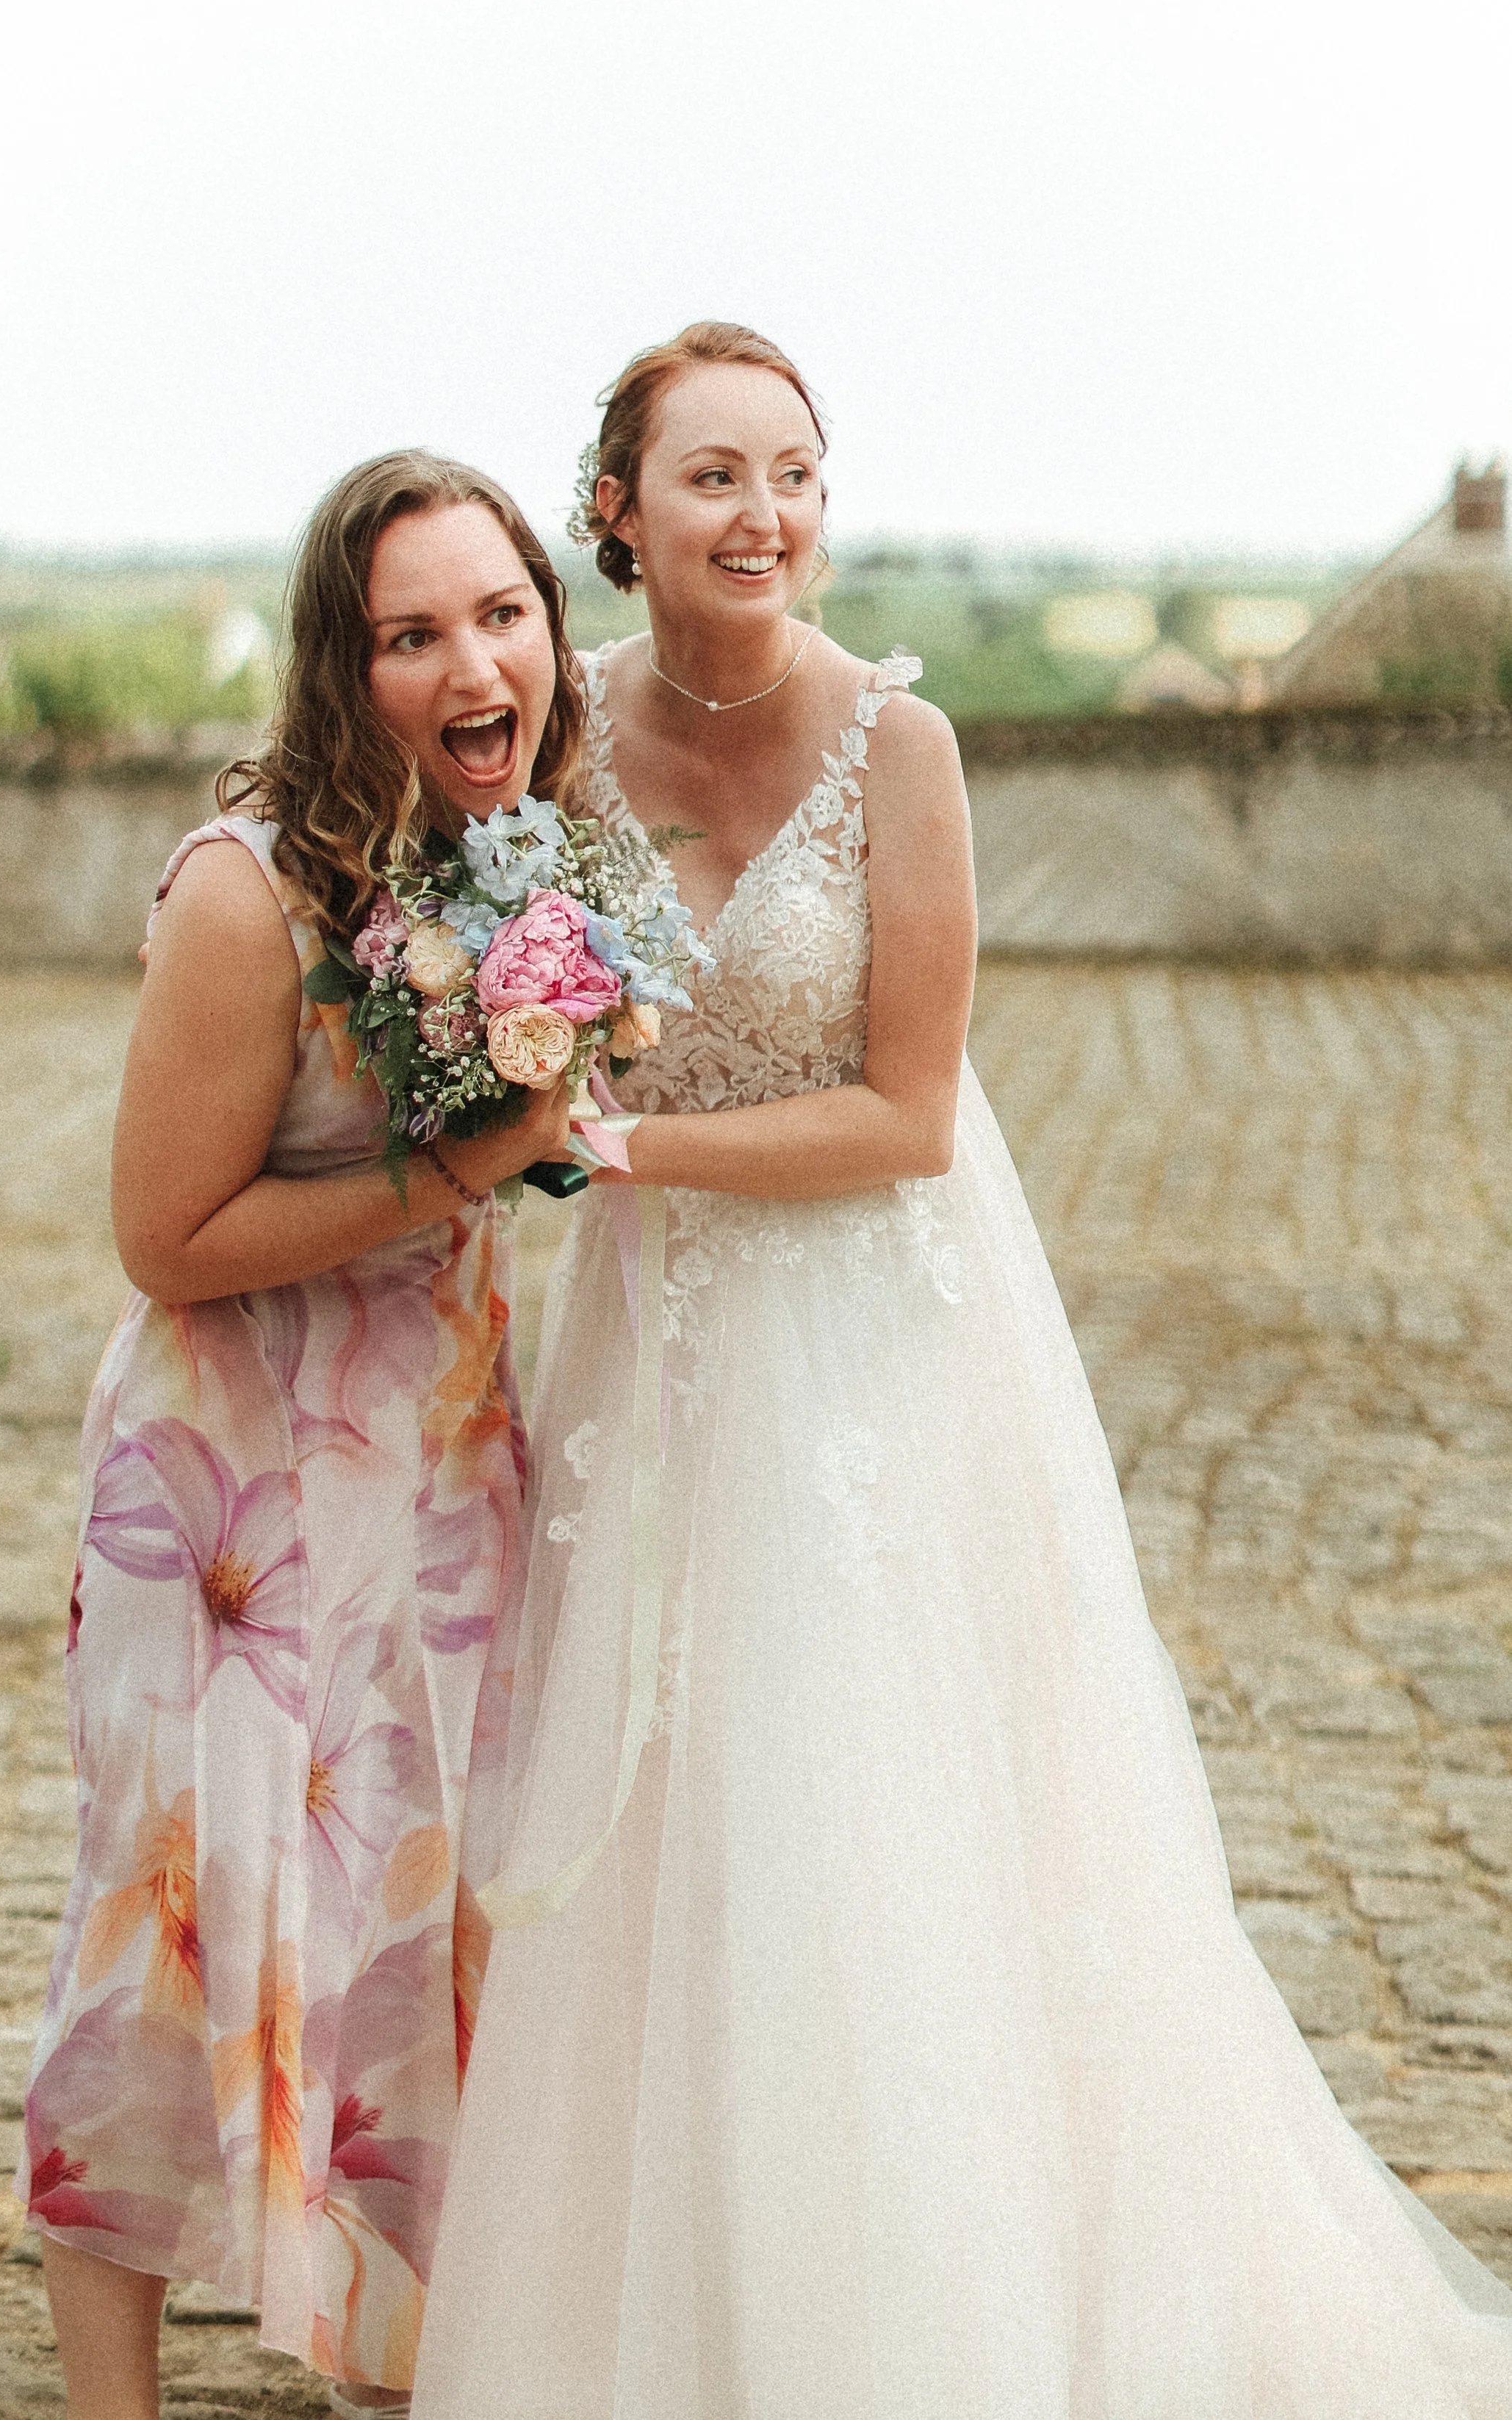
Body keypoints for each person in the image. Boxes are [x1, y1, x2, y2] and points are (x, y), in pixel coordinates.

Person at [411, 325, 1512, 2419]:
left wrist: (619, 1143)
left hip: (869, 1354)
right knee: (660, 1802)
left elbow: (907, 1111)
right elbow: (467, 957)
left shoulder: (891, 751)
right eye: (713, 475)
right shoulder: (557, 750)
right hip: (650, 1354)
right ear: (616, 513)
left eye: (794, 473)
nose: (764, 514)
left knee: (864, 1806)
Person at [18, 451, 577, 2420]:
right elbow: (163, 1238)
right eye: (409, 631)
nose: (465, 658)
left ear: (547, 633)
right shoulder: (245, 894)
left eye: (496, 613)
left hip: (434, 1478)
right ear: (340, 671)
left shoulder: (524, 873)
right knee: (180, 1935)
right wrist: (462, 1170)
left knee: (414, 1934)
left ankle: (394, 2363)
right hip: (227, 1507)